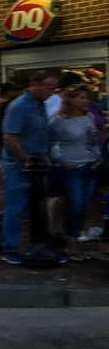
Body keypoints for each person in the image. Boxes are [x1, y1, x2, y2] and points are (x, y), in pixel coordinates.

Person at [0, 70, 60, 264]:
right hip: (20, 165)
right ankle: (9, 248)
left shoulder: (40, 105)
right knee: (16, 208)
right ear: (35, 84)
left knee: (35, 207)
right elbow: (10, 136)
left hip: (37, 163)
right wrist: (25, 159)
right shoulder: (19, 106)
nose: (52, 92)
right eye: (48, 88)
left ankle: (36, 244)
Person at [49, 85, 102, 256]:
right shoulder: (58, 120)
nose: (85, 101)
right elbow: (51, 143)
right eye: (80, 97)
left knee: (83, 206)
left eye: (86, 98)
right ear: (70, 99)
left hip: (90, 166)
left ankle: (74, 237)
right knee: (75, 205)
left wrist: (98, 158)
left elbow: (92, 140)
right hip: (72, 167)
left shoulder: (88, 117)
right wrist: (62, 161)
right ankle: (69, 239)